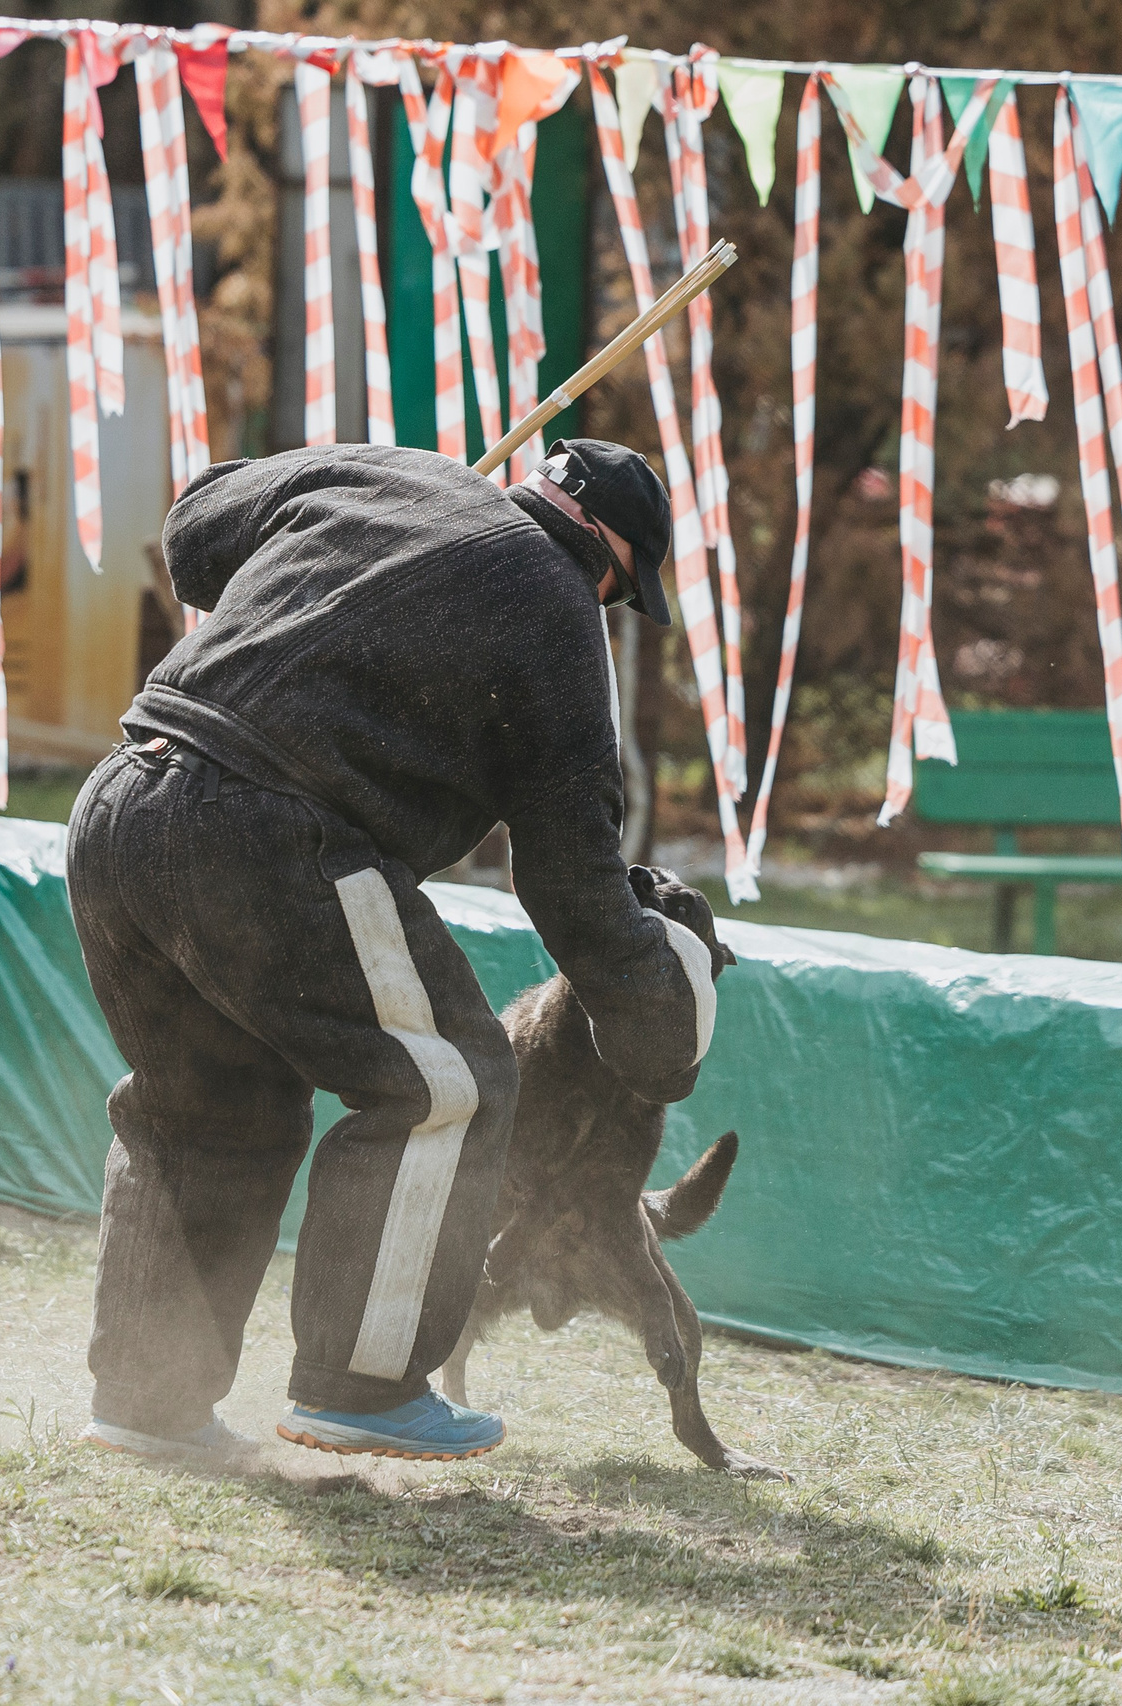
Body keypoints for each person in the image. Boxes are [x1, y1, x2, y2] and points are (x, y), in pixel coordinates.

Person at [66, 438, 724, 1464]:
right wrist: (657, 1036)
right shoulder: (556, 610)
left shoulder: (388, 473)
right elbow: (572, 884)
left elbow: (194, 536)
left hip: (118, 808)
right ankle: (361, 1387)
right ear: (603, 553)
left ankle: (148, 1404)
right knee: (447, 1082)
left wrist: (346, 514)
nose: (600, 608)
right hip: (269, 833)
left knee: (207, 1108)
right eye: (614, 591)